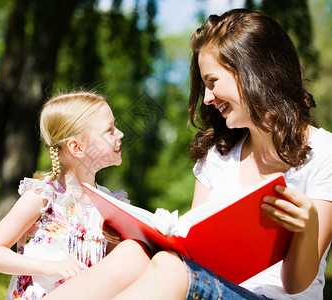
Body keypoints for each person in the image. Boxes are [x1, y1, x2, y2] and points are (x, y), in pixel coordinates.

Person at [43, 9, 332, 300]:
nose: (207, 97)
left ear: (251, 72)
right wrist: (137, 235)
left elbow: (297, 285)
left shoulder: (324, 153)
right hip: (209, 284)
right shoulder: (218, 155)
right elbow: (191, 246)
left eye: (213, 82)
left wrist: (307, 230)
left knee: (170, 267)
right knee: (135, 252)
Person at [0, 91, 127, 300]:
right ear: (76, 147)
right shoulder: (44, 197)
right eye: (109, 130)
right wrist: (50, 267)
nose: (120, 134)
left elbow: (115, 271)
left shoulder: (112, 205)